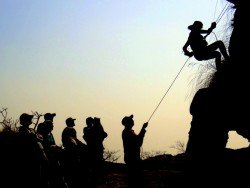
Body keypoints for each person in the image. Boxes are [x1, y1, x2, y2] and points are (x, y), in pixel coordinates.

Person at [121, 114, 148, 187]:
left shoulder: (129, 131)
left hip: (133, 157)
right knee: (134, 179)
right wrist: (143, 129)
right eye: (131, 120)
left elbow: (137, 140)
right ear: (127, 123)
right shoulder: (127, 132)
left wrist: (143, 128)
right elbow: (138, 142)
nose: (132, 121)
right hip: (132, 158)